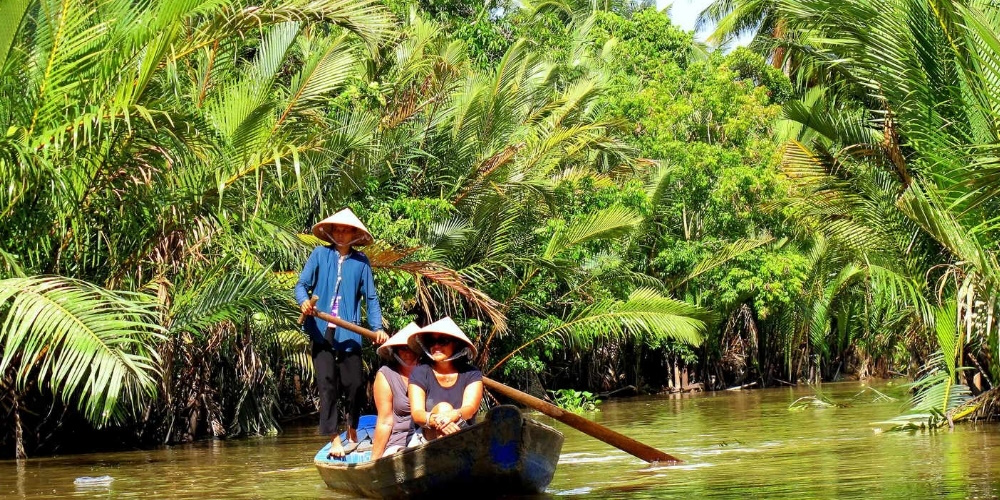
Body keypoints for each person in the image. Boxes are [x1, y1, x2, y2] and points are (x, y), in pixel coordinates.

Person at [295, 207, 388, 458]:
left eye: (347, 230)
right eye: (338, 229)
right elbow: (301, 285)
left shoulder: (361, 262)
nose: (342, 234)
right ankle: (335, 438)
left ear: (354, 235)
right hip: (321, 329)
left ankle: (353, 429)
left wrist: (377, 328)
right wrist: (304, 301)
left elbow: (370, 297)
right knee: (327, 385)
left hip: (349, 332)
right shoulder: (319, 255)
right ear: (331, 231)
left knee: (355, 384)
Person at [408, 317, 483, 441]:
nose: (436, 346)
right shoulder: (420, 373)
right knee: (443, 408)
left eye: (443, 341)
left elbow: (470, 408)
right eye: (432, 341)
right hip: (426, 437)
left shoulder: (471, 373)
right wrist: (440, 420)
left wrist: (454, 415)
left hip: (463, 433)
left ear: (456, 344)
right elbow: (417, 413)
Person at [370, 322, 421, 459]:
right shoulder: (386, 375)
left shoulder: (429, 370)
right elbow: (385, 421)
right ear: (396, 351)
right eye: (404, 348)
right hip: (400, 440)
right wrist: (374, 461)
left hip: (427, 434)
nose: (408, 352)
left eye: (412, 348)